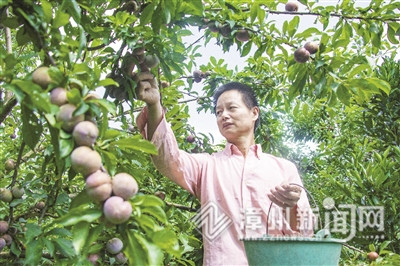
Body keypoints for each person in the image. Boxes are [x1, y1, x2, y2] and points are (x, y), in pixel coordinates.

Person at [135, 72, 314, 265]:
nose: (224, 116)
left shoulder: (283, 168)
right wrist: (154, 106)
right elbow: (167, 159)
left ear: (254, 113)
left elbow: (305, 232)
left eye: (231, 108)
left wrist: (292, 207)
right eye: (218, 112)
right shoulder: (207, 165)